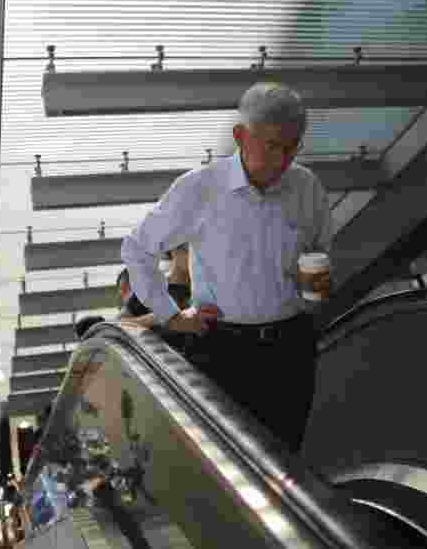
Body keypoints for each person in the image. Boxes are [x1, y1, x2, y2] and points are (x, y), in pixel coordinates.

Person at [120, 82, 332, 454]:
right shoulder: (200, 188)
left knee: (287, 457)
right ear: (240, 135)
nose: (282, 160)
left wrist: (313, 281)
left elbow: (318, 254)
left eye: (292, 148)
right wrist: (170, 316)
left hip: (291, 347)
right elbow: (137, 248)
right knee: (229, 459)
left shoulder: (306, 187)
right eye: (271, 146)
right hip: (223, 350)